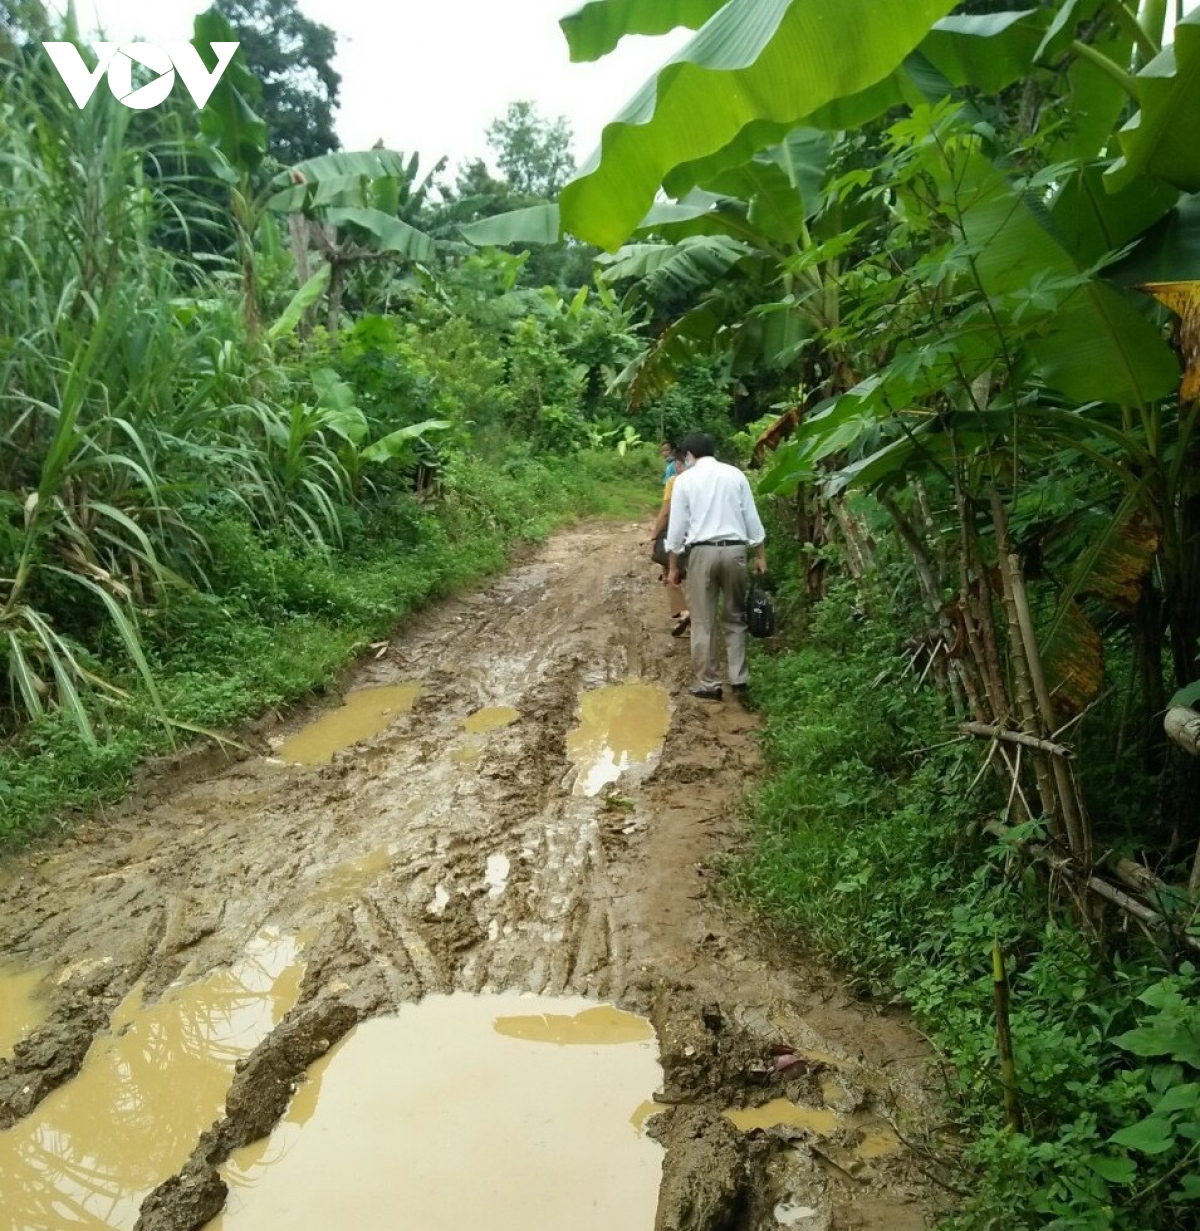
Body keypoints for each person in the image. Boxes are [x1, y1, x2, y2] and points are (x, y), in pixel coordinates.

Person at [664, 431, 767, 700]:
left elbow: (676, 530)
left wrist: (673, 567)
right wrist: (760, 555)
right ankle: (739, 678)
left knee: (702, 620)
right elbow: (751, 517)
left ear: (688, 455)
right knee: (735, 615)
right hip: (735, 552)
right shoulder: (736, 475)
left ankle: (709, 684)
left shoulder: (684, 481)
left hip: (702, 554)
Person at [649, 451, 690, 636]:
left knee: (669, 570)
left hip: (678, 533)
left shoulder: (674, 482)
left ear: (680, 464)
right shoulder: (706, 480)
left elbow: (666, 513)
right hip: (702, 536)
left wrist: (654, 535)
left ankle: (684, 611)